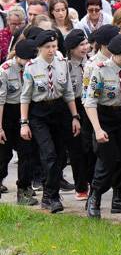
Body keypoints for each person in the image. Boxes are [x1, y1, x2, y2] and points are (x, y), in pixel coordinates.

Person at [83, 34, 121, 224]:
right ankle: (95, 197)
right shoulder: (100, 70)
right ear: (113, 54)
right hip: (105, 117)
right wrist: (98, 129)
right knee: (107, 161)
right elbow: (90, 102)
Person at [20, 29, 81, 213]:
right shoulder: (31, 66)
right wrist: (24, 123)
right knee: (49, 155)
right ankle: (50, 196)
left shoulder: (62, 63)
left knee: (61, 156)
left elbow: (68, 92)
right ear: (39, 48)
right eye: (47, 47)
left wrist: (75, 116)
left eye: (54, 46)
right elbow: (25, 97)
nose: (52, 50)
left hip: (59, 111)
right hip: (39, 113)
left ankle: (51, 192)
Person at [0, 39, 39, 206]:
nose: (29, 62)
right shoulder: (5, 71)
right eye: (26, 59)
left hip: (25, 113)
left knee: (27, 153)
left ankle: (24, 188)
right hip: (7, 112)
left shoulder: (35, 67)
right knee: (4, 155)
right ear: (18, 56)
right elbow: (0, 100)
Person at [64, 29, 94, 201]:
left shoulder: (92, 62)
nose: (84, 48)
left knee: (91, 147)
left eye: (85, 44)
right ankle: (80, 185)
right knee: (77, 149)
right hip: (73, 106)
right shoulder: (66, 65)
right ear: (71, 48)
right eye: (79, 45)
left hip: (90, 105)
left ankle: (91, 181)